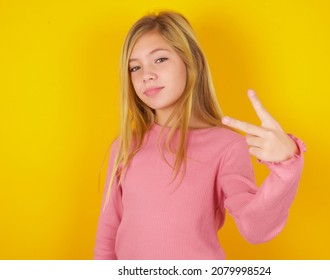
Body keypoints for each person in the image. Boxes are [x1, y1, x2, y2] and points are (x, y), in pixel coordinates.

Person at [94, 10, 306, 260]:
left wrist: (285, 167)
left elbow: (255, 229)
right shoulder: (125, 146)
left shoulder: (227, 146)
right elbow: (108, 234)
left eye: (160, 59)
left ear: (190, 61)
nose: (146, 75)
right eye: (134, 67)